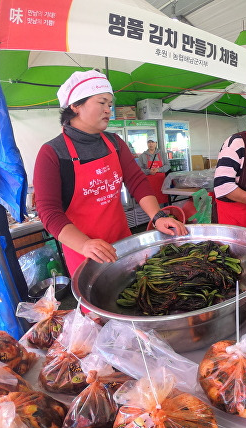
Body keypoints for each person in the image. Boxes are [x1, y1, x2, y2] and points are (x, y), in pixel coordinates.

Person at [33, 70, 187, 275]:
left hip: (123, 242)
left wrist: (157, 216)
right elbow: (48, 212)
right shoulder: (52, 153)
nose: (108, 110)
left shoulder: (114, 143)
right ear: (76, 105)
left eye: (110, 104)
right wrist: (85, 244)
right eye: (102, 102)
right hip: (84, 252)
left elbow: (137, 181)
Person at [138, 139, 170, 205]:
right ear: (147, 144)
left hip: (162, 182)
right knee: (152, 201)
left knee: (164, 199)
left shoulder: (162, 154)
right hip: (149, 183)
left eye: (152, 142)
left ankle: (166, 212)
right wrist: (149, 171)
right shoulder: (142, 156)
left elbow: (168, 166)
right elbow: (139, 169)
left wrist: (158, 170)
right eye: (149, 142)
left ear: (156, 143)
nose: (151, 144)